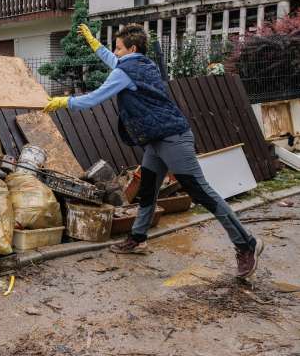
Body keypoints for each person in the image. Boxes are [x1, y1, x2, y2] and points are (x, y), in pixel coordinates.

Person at [43, 23, 263, 278]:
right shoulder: (143, 65)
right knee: (148, 188)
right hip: (156, 141)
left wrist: (64, 101)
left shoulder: (127, 71)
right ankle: (138, 238)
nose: (116, 52)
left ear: (132, 48)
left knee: (201, 191)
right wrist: (94, 43)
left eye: (119, 47)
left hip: (172, 138)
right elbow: (114, 61)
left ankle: (247, 244)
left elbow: (94, 98)